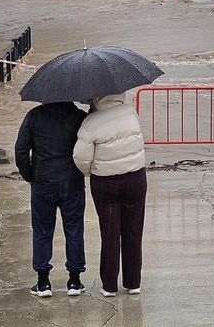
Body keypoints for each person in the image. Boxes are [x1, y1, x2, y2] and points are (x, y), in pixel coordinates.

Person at [73, 93, 147, 297]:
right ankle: (133, 283)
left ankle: (109, 285)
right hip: (135, 178)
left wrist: (91, 172)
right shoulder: (131, 112)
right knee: (134, 231)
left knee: (109, 233)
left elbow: (80, 157)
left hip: (105, 183)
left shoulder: (90, 122)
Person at [15, 101, 88, 298]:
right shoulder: (79, 117)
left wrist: (31, 175)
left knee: (42, 231)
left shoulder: (34, 116)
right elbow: (87, 150)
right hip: (72, 182)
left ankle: (43, 282)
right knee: (74, 229)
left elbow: (21, 152)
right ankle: (74, 280)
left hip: (43, 182)